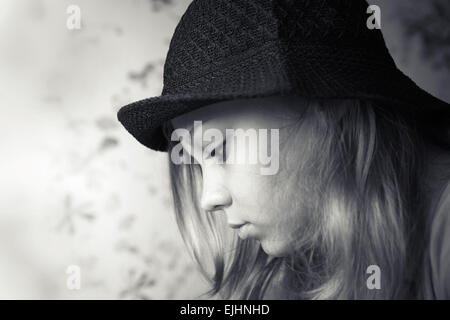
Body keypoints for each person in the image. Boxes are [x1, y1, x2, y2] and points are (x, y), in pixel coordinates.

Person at [117, 0, 450, 299]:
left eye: (216, 150)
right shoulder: (308, 257)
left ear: (334, 113)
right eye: (196, 163)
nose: (208, 198)